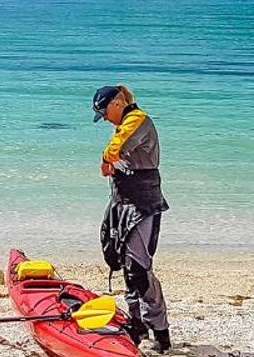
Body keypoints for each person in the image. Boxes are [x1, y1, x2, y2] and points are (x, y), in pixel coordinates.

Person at [94, 85, 171, 352]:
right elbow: (122, 159)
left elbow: (116, 148)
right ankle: (137, 325)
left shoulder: (137, 120)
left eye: (104, 112)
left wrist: (106, 160)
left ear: (117, 103)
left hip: (142, 202)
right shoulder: (125, 122)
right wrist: (111, 167)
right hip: (122, 201)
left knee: (139, 268)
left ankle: (160, 334)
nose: (104, 118)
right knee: (123, 263)